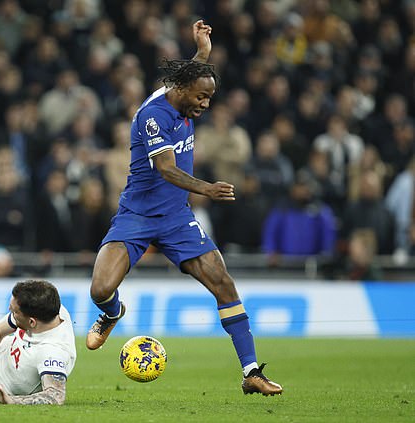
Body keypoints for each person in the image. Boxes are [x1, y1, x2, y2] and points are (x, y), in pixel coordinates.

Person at [85, 20, 282, 396]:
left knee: (223, 283)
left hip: (176, 219)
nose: (205, 105)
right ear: (181, 90)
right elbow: (166, 169)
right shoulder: (153, 116)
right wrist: (207, 188)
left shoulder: (184, 89)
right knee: (100, 288)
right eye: (201, 98)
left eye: (209, 98)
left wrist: (203, 49)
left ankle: (251, 372)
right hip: (137, 215)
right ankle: (112, 313)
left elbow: (194, 73)